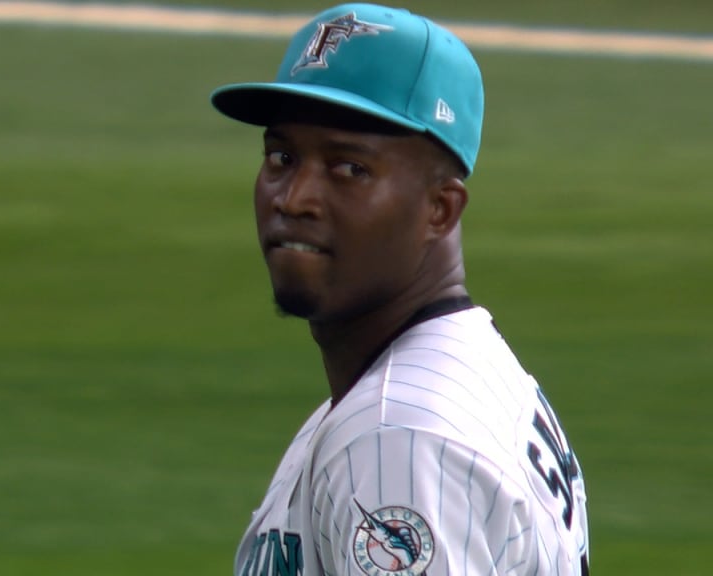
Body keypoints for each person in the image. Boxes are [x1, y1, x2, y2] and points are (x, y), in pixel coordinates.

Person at [210, 3, 590, 575]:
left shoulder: (399, 438)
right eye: (281, 157)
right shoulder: (458, 379)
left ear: (440, 209)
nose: (294, 198)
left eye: (349, 168)